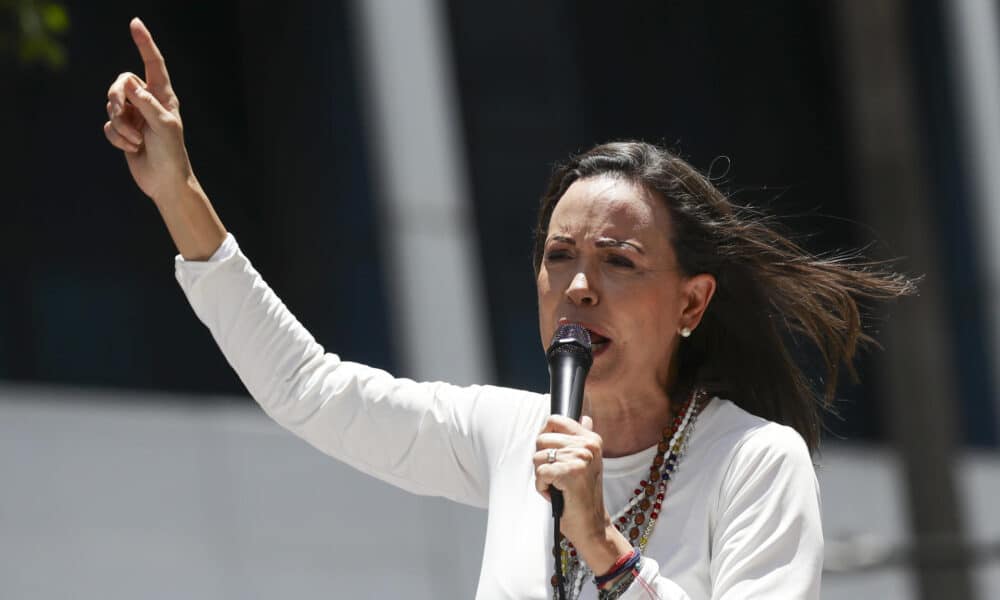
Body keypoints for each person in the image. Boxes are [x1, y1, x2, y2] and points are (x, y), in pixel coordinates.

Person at [103, 18, 915, 600]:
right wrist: (178, 193)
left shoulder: (756, 463)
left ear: (692, 301)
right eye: (558, 257)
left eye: (617, 262)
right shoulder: (509, 436)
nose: (578, 286)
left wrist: (601, 545)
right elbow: (310, 390)